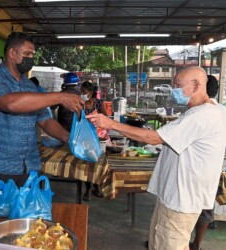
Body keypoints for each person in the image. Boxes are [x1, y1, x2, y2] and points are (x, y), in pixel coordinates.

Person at [86, 66, 226, 250]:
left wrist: (110, 123)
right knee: (161, 242)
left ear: (197, 85)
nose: (173, 89)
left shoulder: (201, 115)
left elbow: (156, 138)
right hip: (178, 196)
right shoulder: (213, 110)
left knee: (168, 244)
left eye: (178, 84)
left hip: (180, 199)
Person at [0, 32, 84, 187]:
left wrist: (69, 138)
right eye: (27, 54)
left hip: (29, 166)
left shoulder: (30, 86)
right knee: (0, 211)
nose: (31, 59)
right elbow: (10, 103)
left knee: (31, 211)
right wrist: (60, 97)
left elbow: (45, 120)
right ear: (12, 53)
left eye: (32, 55)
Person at [189, 74, 226, 250]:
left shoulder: (201, 111)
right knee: (204, 207)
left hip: (197, 170)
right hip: (212, 170)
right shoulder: (221, 111)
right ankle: (197, 243)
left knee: (189, 208)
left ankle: (186, 243)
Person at [80, 81, 109, 201]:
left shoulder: (99, 103)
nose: (81, 94)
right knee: (88, 164)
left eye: (84, 92)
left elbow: (105, 117)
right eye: (80, 92)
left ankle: (97, 186)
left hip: (100, 136)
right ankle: (88, 188)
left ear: (91, 93)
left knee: (100, 164)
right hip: (86, 137)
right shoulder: (80, 104)